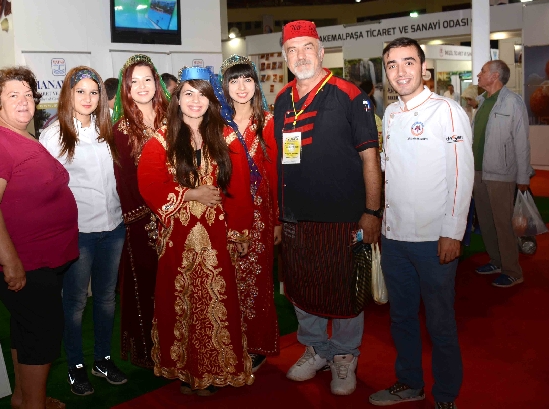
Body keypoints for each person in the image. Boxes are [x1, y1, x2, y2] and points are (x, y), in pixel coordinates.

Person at [274, 21, 381, 396]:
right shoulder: (281, 99)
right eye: (292, 50)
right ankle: (317, 348)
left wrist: (372, 212)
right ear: (286, 57)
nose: (300, 56)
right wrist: (278, 214)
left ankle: (345, 354)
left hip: (343, 217)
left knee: (345, 289)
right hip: (295, 217)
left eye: (307, 48)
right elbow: (279, 160)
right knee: (301, 288)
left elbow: (370, 159)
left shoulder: (350, 95)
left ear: (321, 52)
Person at [369, 37, 473, 409]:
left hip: (434, 240)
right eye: (392, 64)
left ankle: (446, 395)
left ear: (423, 68)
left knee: (440, 323)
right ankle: (411, 382)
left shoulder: (447, 111)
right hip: (395, 238)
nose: (400, 72)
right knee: (401, 318)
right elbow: (388, 171)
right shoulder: (391, 114)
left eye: (408, 62)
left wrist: (453, 232)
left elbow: (461, 175)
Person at [137, 67, 254, 395]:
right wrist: (191, 194)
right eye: (188, 93)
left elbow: (239, 188)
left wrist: (239, 231)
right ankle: (186, 372)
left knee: (215, 302)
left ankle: (213, 371)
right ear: (177, 99)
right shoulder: (161, 139)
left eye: (202, 94)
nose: (195, 100)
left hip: (216, 236)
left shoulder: (226, 136)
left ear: (211, 100)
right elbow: (149, 184)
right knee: (180, 304)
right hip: (178, 236)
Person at [0, 66, 78, 409]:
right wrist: (11, 263)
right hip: (23, 262)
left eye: (28, 95)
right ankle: (34, 404)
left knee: (27, 326)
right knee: (42, 332)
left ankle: (24, 397)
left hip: (39, 259)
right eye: (13, 95)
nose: (23, 101)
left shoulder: (19, 134)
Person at [39, 66, 127, 396]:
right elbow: (44, 188)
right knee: (75, 303)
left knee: (106, 299)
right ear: (68, 94)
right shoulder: (54, 134)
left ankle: (103, 359)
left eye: (94, 92)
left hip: (113, 227)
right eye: (81, 92)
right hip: (78, 232)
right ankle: (75, 365)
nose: (88, 98)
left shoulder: (108, 130)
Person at [220, 55, 281, 372]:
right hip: (224, 214)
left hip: (260, 215)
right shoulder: (216, 123)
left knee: (256, 280)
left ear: (256, 85)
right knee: (226, 280)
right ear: (225, 86)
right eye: (234, 80)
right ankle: (229, 341)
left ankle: (255, 345)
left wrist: (278, 219)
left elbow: (276, 174)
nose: (241, 87)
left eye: (247, 79)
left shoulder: (268, 122)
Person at [111, 55, 169, 369]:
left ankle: (179, 348)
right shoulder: (121, 130)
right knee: (147, 286)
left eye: (148, 79)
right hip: (143, 222)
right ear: (127, 88)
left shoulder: (174, 118)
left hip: (182, 216)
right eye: (135, 81)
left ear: (156, 84)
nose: (142, 86)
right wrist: (150, 216)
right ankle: (150, 351)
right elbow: (125, 181)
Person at [471, 60, 531, 288]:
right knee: (486, 222)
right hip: (479, 172)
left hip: (501, 173)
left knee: (503, 224)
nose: (479, 75)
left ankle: (513, 270)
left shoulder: (513, 102)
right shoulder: (482, 101)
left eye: (483, 71)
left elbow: (522, 142)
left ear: (495, 76)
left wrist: (523, 177)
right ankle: (496, 261)